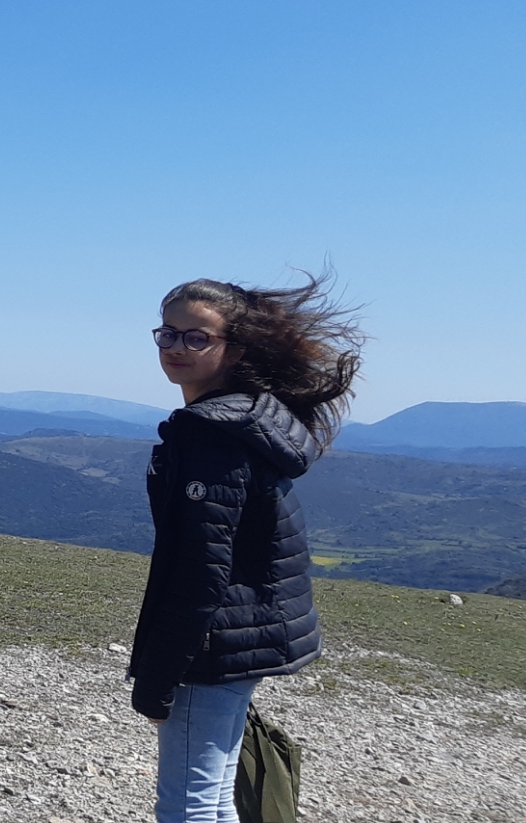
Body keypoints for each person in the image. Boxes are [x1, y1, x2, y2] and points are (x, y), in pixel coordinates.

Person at [130, 276, 359, 822]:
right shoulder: (251, 417)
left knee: (188, 804)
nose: (177, 347)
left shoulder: (212, 434)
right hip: (244, 630)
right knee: (211, 796)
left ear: (234, 350)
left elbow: (201, 569)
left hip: (216, 640)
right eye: (168, 333)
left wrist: (159, 677)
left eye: (197, 337)